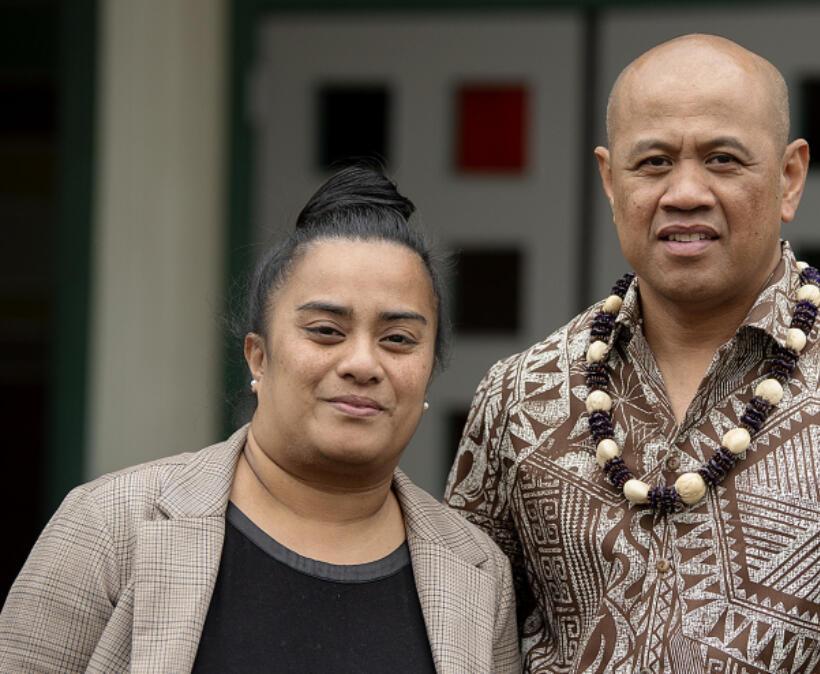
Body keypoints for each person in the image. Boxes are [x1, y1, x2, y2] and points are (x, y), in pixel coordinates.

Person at [447, 34, 820, 672]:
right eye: (652, 162)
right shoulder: (522, 396)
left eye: (723, 160)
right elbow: (458, 642)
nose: (684, 192)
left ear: (790, 178)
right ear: (609, 180)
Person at [1, 165, 519, 673]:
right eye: (325, 330)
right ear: (258, 357)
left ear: (428, 373)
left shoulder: (476, 572)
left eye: (399, 340)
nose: (363, 363)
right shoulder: (112, 527)